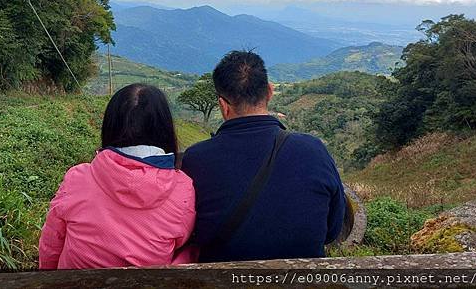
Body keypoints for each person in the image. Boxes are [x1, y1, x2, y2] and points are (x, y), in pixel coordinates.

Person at [181, 51, 345, 263]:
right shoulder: (313, 150)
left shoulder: (196, 159)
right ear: (270, 91)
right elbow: (332, 231)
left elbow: (190, 231)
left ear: (223, 105)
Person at [38, 84, 196, 269]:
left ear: (110, 125)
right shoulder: (182, 189)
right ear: (165, 128)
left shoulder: (78, 178)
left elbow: (51, 244)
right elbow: (181, 240)